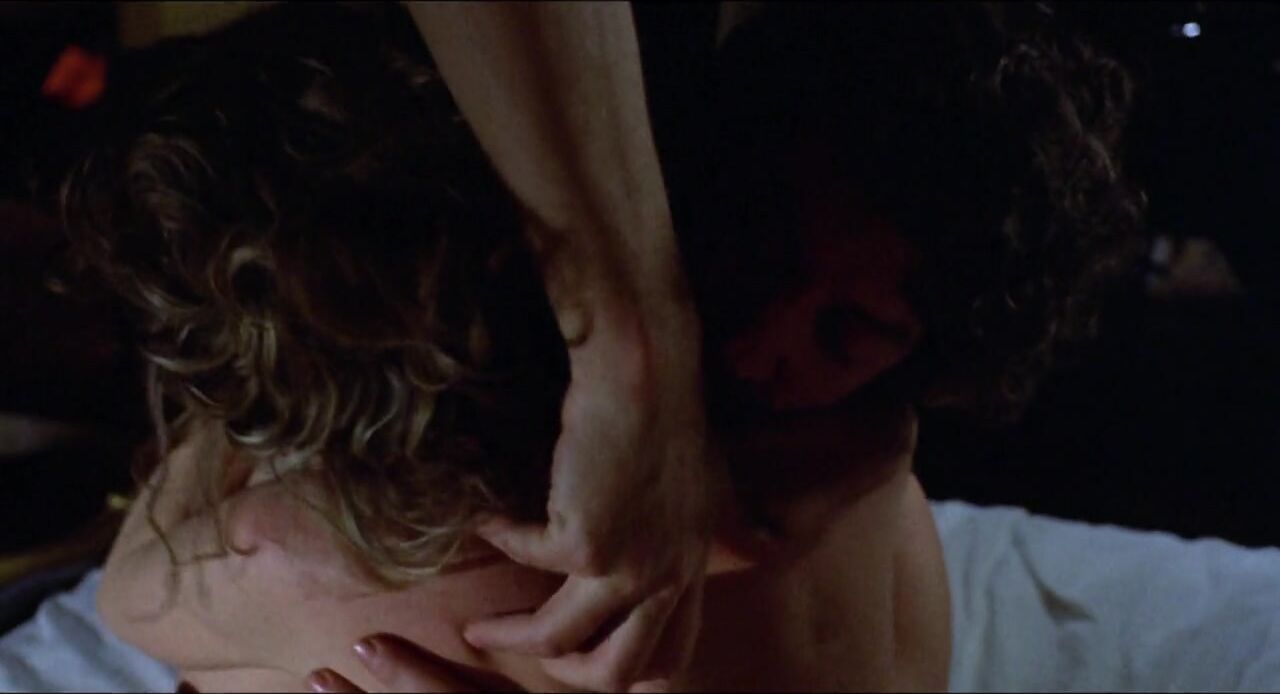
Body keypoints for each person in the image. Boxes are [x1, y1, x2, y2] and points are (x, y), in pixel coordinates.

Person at [66, 2, 1142, 691]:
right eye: (760, 250)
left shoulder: (361, 551)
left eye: (849, 331)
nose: (761, 343)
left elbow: (125, 599)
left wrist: (249, 388)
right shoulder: (871, 472)